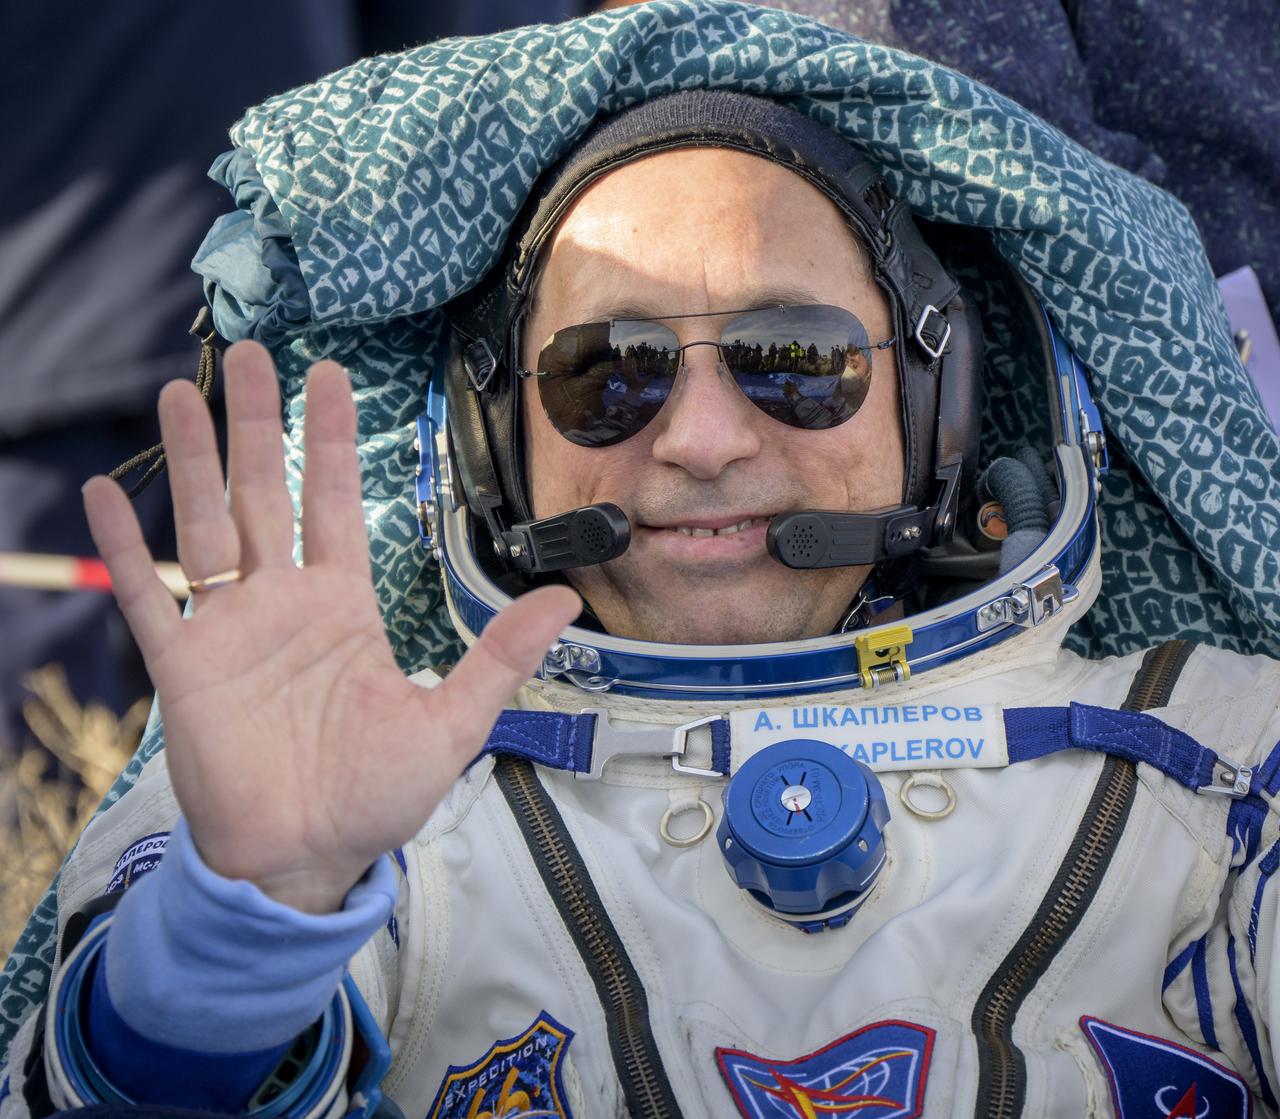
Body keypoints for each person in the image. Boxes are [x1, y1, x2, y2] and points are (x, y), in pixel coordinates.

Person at [2, 77, 1279, 1119]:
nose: (703, 441)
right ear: (500, 443)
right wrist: (250, 932)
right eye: (612, 373)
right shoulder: (344, 800)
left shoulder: (1219, 764)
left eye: (796, 359)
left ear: (936, 408)